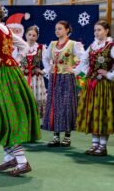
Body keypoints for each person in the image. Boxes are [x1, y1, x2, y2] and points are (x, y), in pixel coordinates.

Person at [0, 1, 41, 177]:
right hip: (12, 73)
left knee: (1, 115)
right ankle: (9, 158)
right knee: (4, 114)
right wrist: (16, 61)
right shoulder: (6, 29)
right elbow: (25, 47)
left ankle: (22, 161)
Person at [75, 19, 114, 156]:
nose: (96, 33)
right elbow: (84, 63)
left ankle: (102, 146)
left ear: (106, 31)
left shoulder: (111, 46)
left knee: (102, 113)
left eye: (99, 30)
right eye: (95, 30)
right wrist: (81, 73)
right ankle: (94, 144)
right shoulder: (92, 46)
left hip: (105, 86)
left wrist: (109, 74)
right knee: (93, 112)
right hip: (91, 84)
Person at [42, 21, 85, 147]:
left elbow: (84, 58)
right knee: (55, 105)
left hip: (67, 78)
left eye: (60, 28)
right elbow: (45, 57)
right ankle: (56, 137)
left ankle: (67, 137)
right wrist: (48, 67)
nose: (57, 31)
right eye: (56, 29)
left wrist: (75, 70)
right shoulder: (53, 44)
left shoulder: (73, 44)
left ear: (67, 30)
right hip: (55, 78)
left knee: (66, 105)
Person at [18, 26, 47, 125]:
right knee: (24, 97)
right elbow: (14, 61)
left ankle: (38, 121)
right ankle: (24, 119)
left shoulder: (40, 48)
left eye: (34, 35)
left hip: (36, 78)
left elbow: (48, 62)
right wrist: (19, 68)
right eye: (29, 35)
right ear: (25, 35)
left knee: (37, 98)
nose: (31, 37)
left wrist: (43, 71)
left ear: (37, 37)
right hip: (23, 78)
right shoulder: (20, 46)